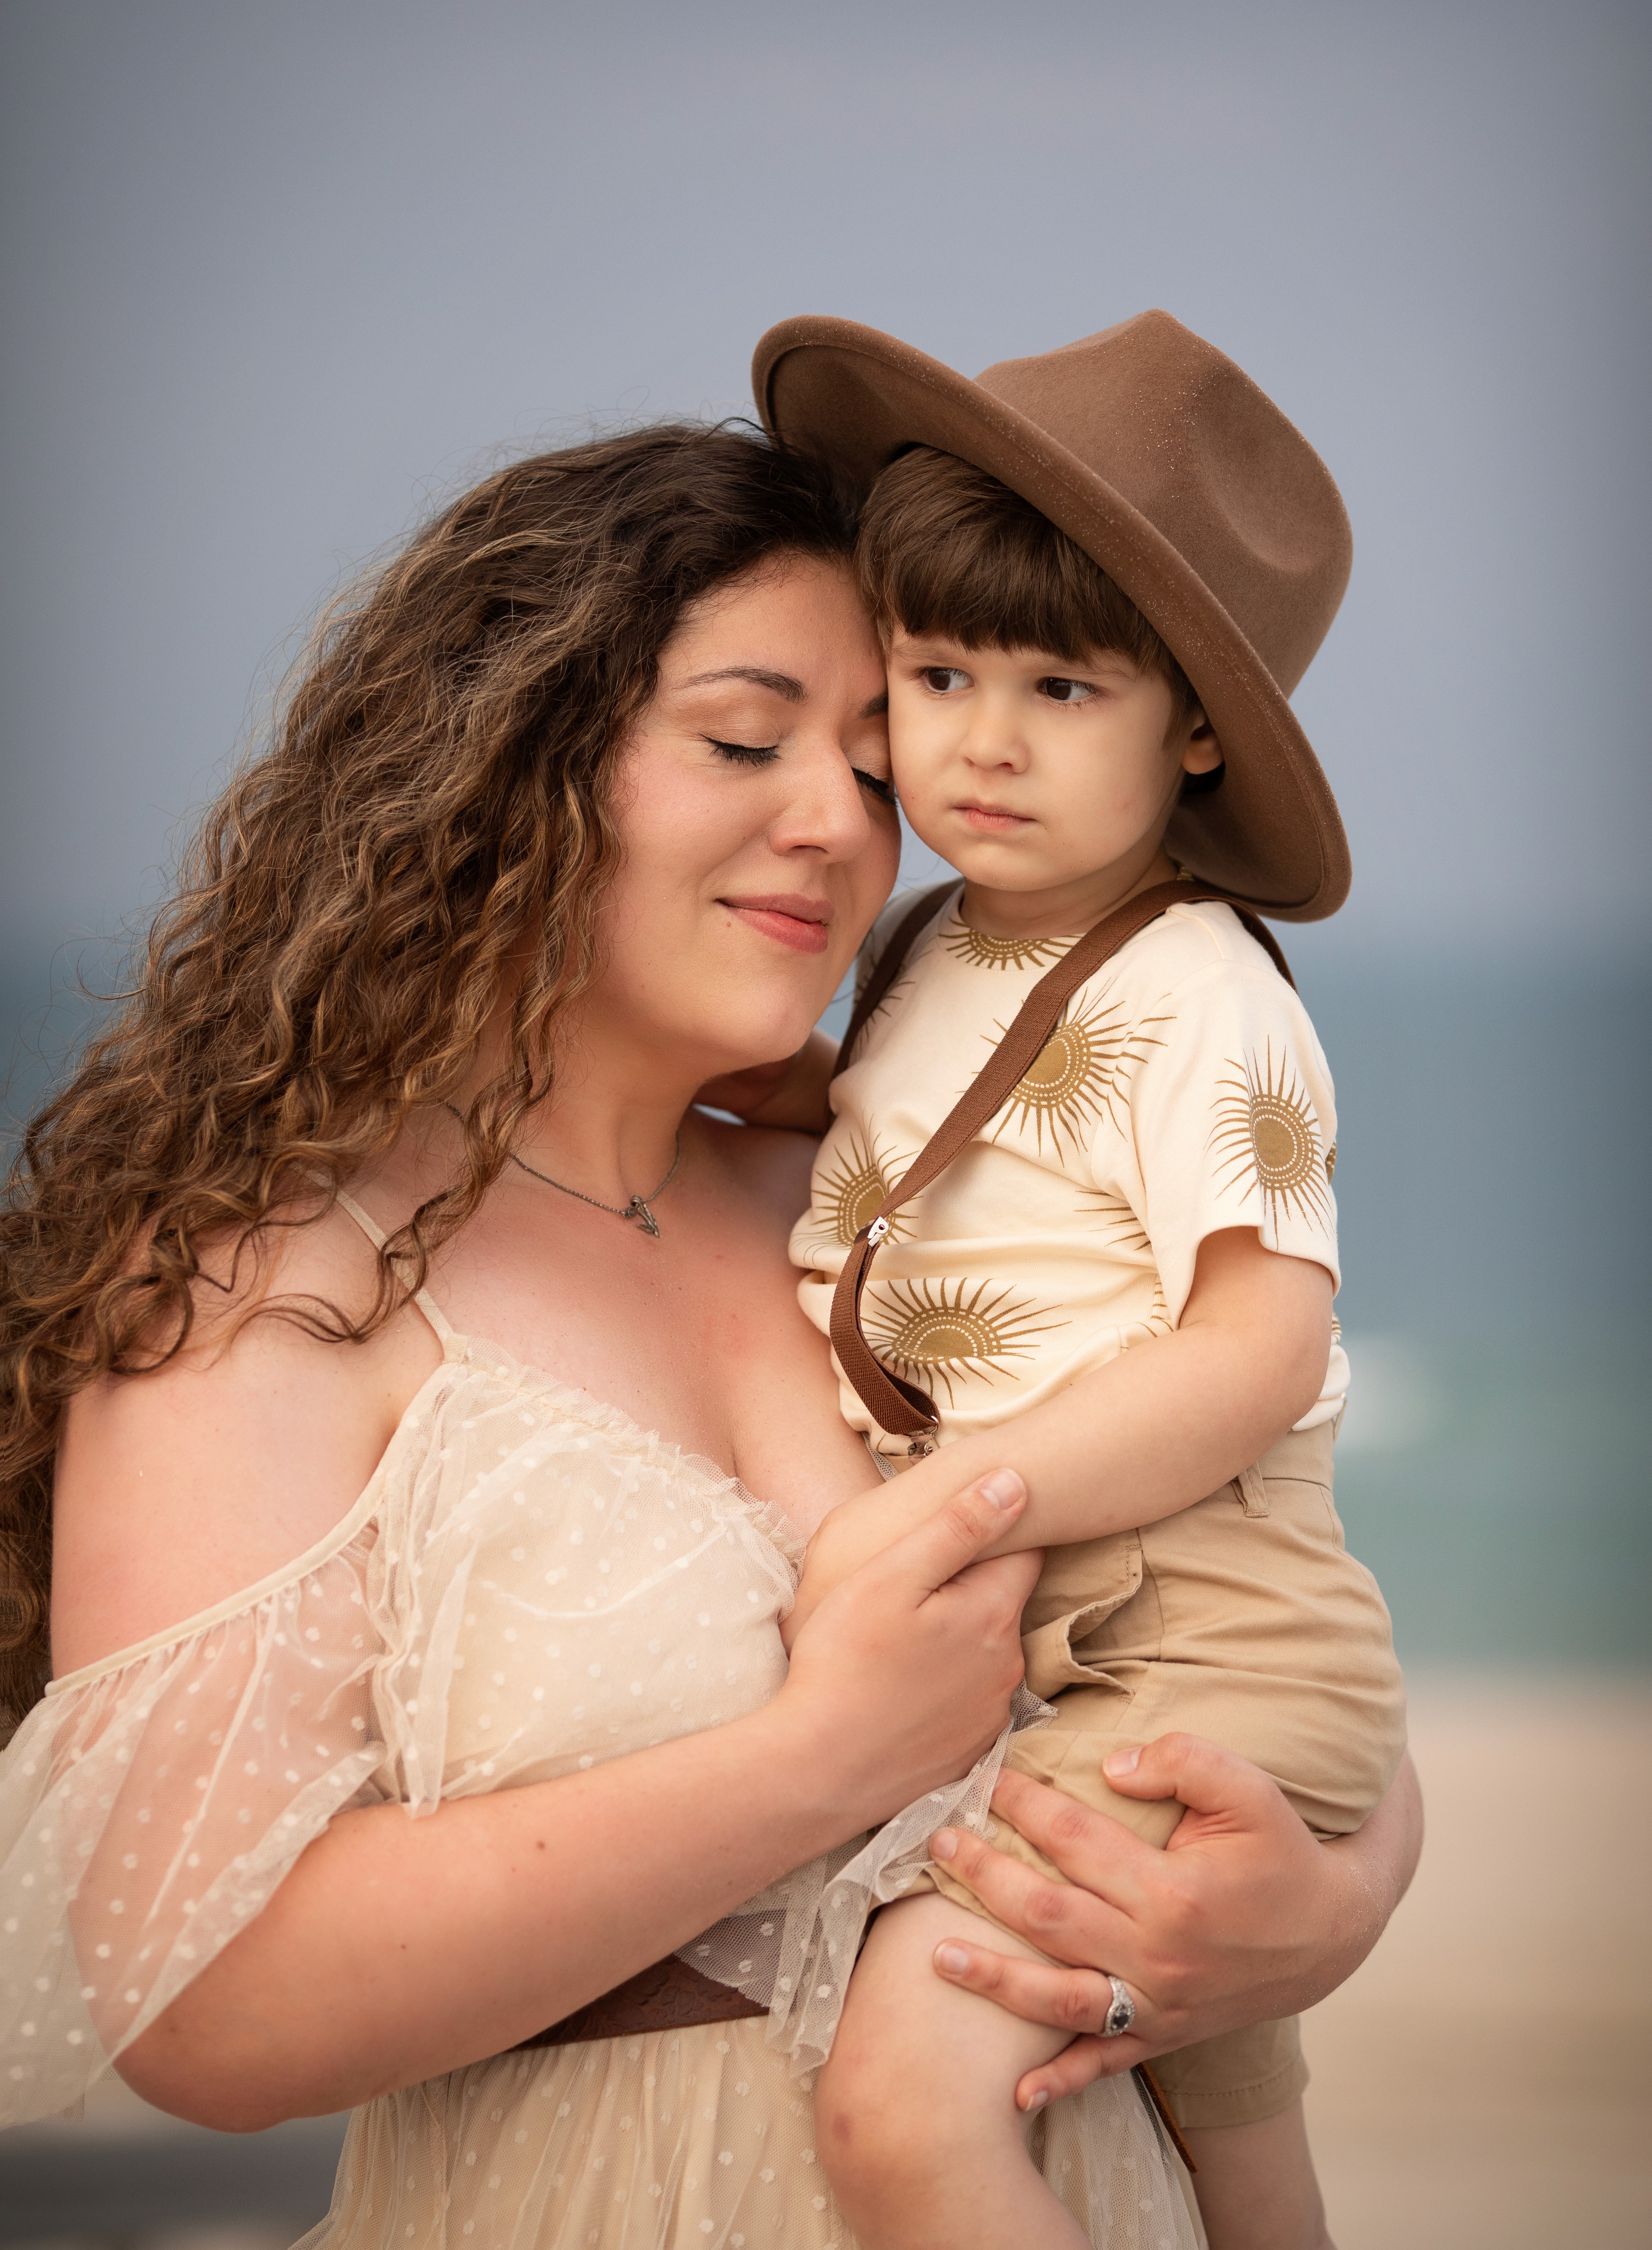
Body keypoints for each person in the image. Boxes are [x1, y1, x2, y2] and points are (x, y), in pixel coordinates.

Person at [0, 416, 1421, 2250]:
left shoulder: (874, 1218)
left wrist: (1335, 1905)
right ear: (506, 760)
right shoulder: (270, 1280)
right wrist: (816, 1759)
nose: (838, 823)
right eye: (745, 742)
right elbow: (199, 2014)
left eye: (871, 763)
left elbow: (1247, 1614)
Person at [743, 313, 1407, 2250]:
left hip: (1198, 1634)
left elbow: (1261, 1345)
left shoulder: (1197, 991)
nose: (986, 742)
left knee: (903, 2102)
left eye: (1060, 686)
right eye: (939, 673)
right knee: (1239, 2152)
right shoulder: (930, 944)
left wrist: (961, 1497)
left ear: (1192, 728)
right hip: (1072, 1640)